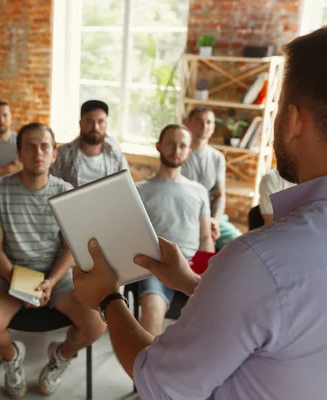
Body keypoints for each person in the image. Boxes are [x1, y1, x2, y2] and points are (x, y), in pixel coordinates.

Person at [73, 27, 327, 399]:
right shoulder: (265, 269)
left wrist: (108, 297)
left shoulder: (261, 260)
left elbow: (159, 382)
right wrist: (192, 281)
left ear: (293, 121)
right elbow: (276, 317)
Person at [0, 123, 106, 398]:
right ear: (19, 154)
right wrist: (23, 285)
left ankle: (60, 355)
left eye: (45, 146)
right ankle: (12, 356)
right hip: (8, 273)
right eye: (30, 147)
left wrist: (49, 282)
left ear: (54, 154)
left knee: (98, 323)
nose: (38, 153)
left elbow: (70, 248)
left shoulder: (66, 190)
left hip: (55, 275)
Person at [136, 124, 213, 337]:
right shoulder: (139, 190)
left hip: (193, 268)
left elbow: (206, 237)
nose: (176, 150)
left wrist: (203, 271)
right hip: (156, 268)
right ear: (159, 146)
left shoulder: (199, 191)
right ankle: (146, 369)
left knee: (215, 322)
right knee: (151, 318)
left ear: (188, 152)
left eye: (182, 146)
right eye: (170, 143)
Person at [181, 106, 241, 250]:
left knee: (240, 244)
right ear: (188, 124)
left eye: (209, 122)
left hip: (211, 218)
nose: (204, 126)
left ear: (213, 127)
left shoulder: (217, 157)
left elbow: (220, 195)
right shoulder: (179, 154)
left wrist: (214, 220)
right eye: (199, 121)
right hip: (185, 217)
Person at [50, 100, 128, 187]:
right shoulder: (63, 154)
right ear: (80, 123)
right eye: (89, 121)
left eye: (100, 121)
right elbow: (52, 186)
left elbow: (125, 188)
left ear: (106, 124)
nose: (95, 127)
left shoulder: (116, 156)